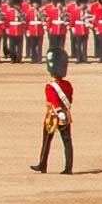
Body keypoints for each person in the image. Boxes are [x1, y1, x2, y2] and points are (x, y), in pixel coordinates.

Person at [32, 47, 74, 175]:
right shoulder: (67, 84)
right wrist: (62, 112)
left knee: (46, 142)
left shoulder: (50, 86)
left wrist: (58, 111)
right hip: (65, 115)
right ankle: (68, 167)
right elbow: (70, 99)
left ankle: (43, 164)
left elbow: (54, 100)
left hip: (52, 116)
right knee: (67, 143)